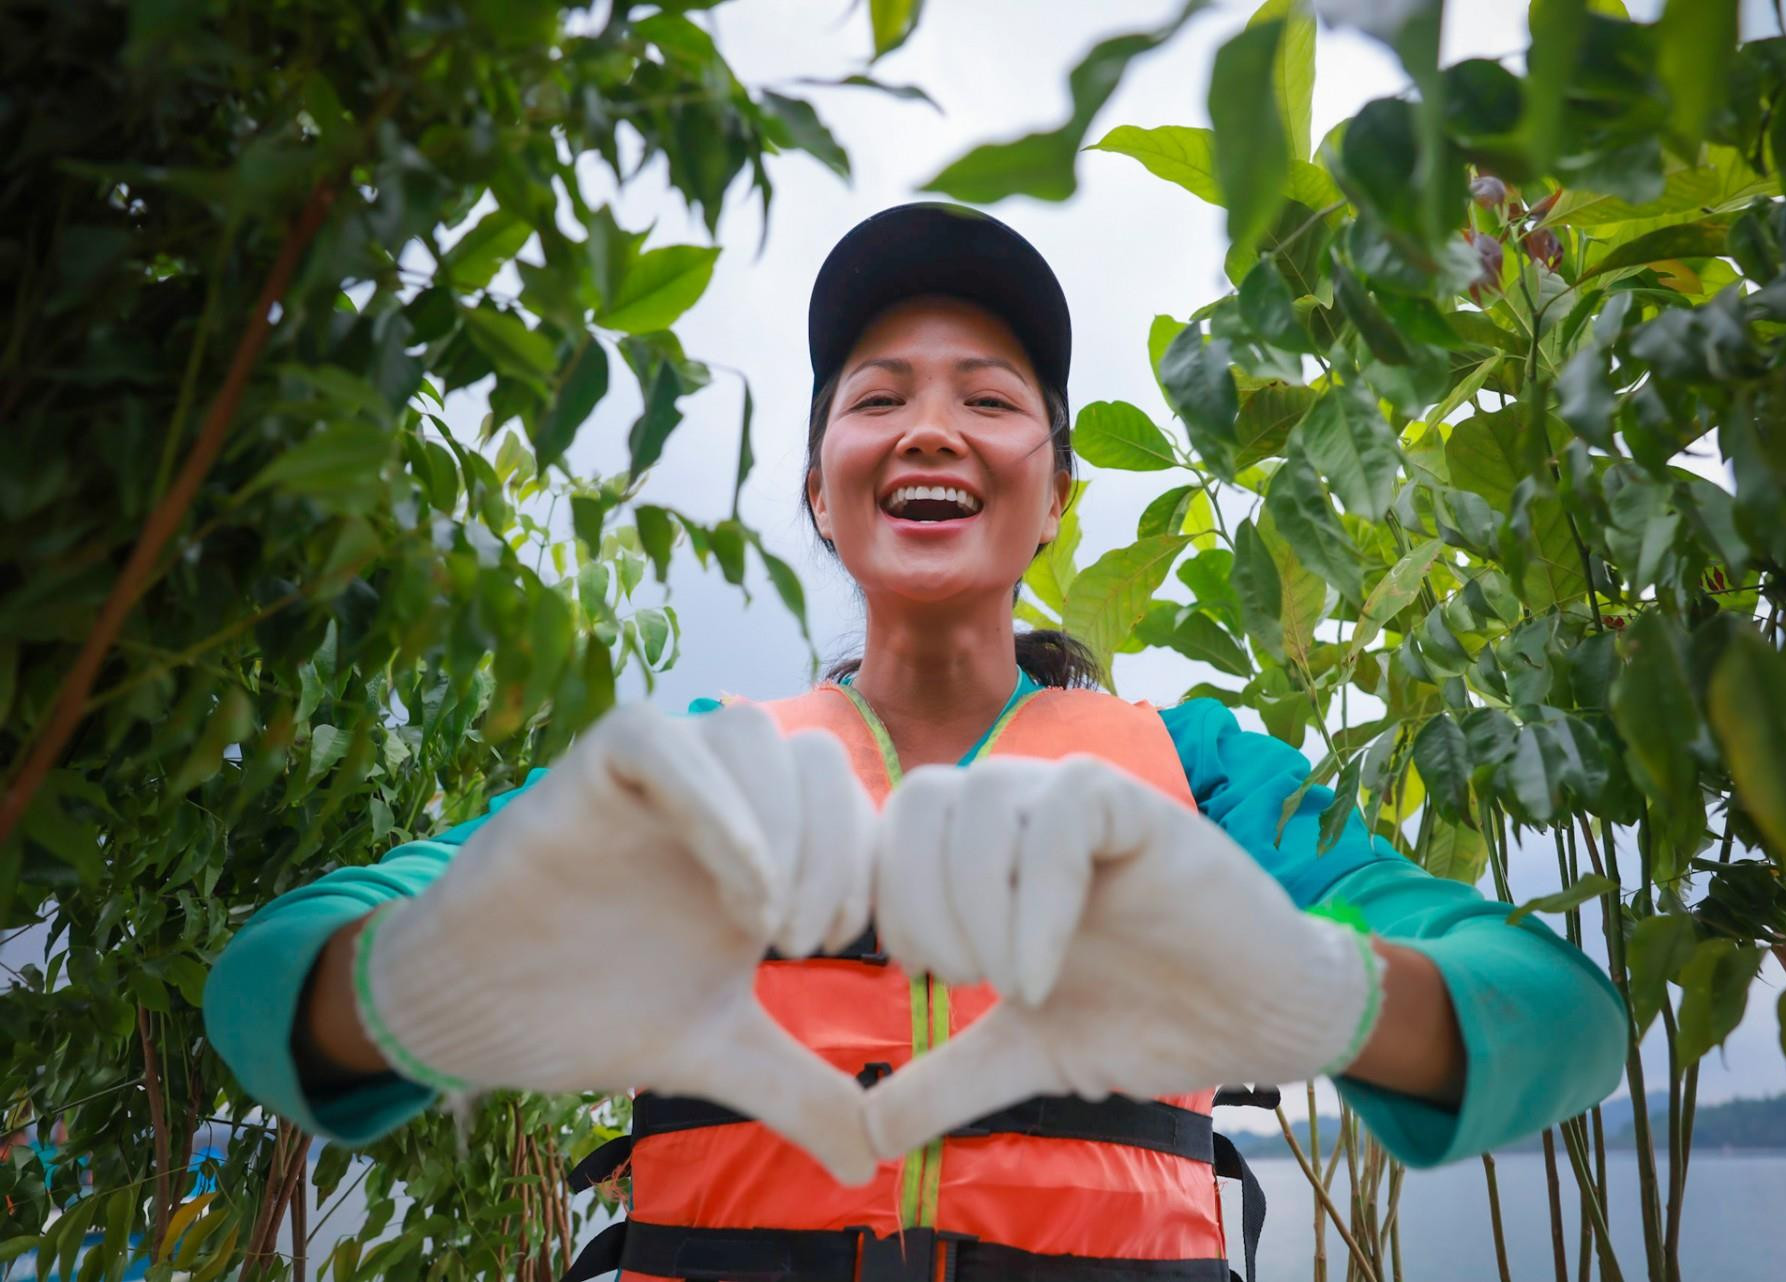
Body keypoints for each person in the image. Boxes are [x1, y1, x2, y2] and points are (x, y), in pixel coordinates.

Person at [206, 203, 1628, 1282]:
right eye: (878, 398)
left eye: (990, 400)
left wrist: (1326, 989)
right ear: (820, 489)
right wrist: (442, 963)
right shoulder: (684, 773)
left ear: (1057, 495)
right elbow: (272, 986)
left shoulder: (1202, 774)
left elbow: (1558, 1020)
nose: (930, 430)